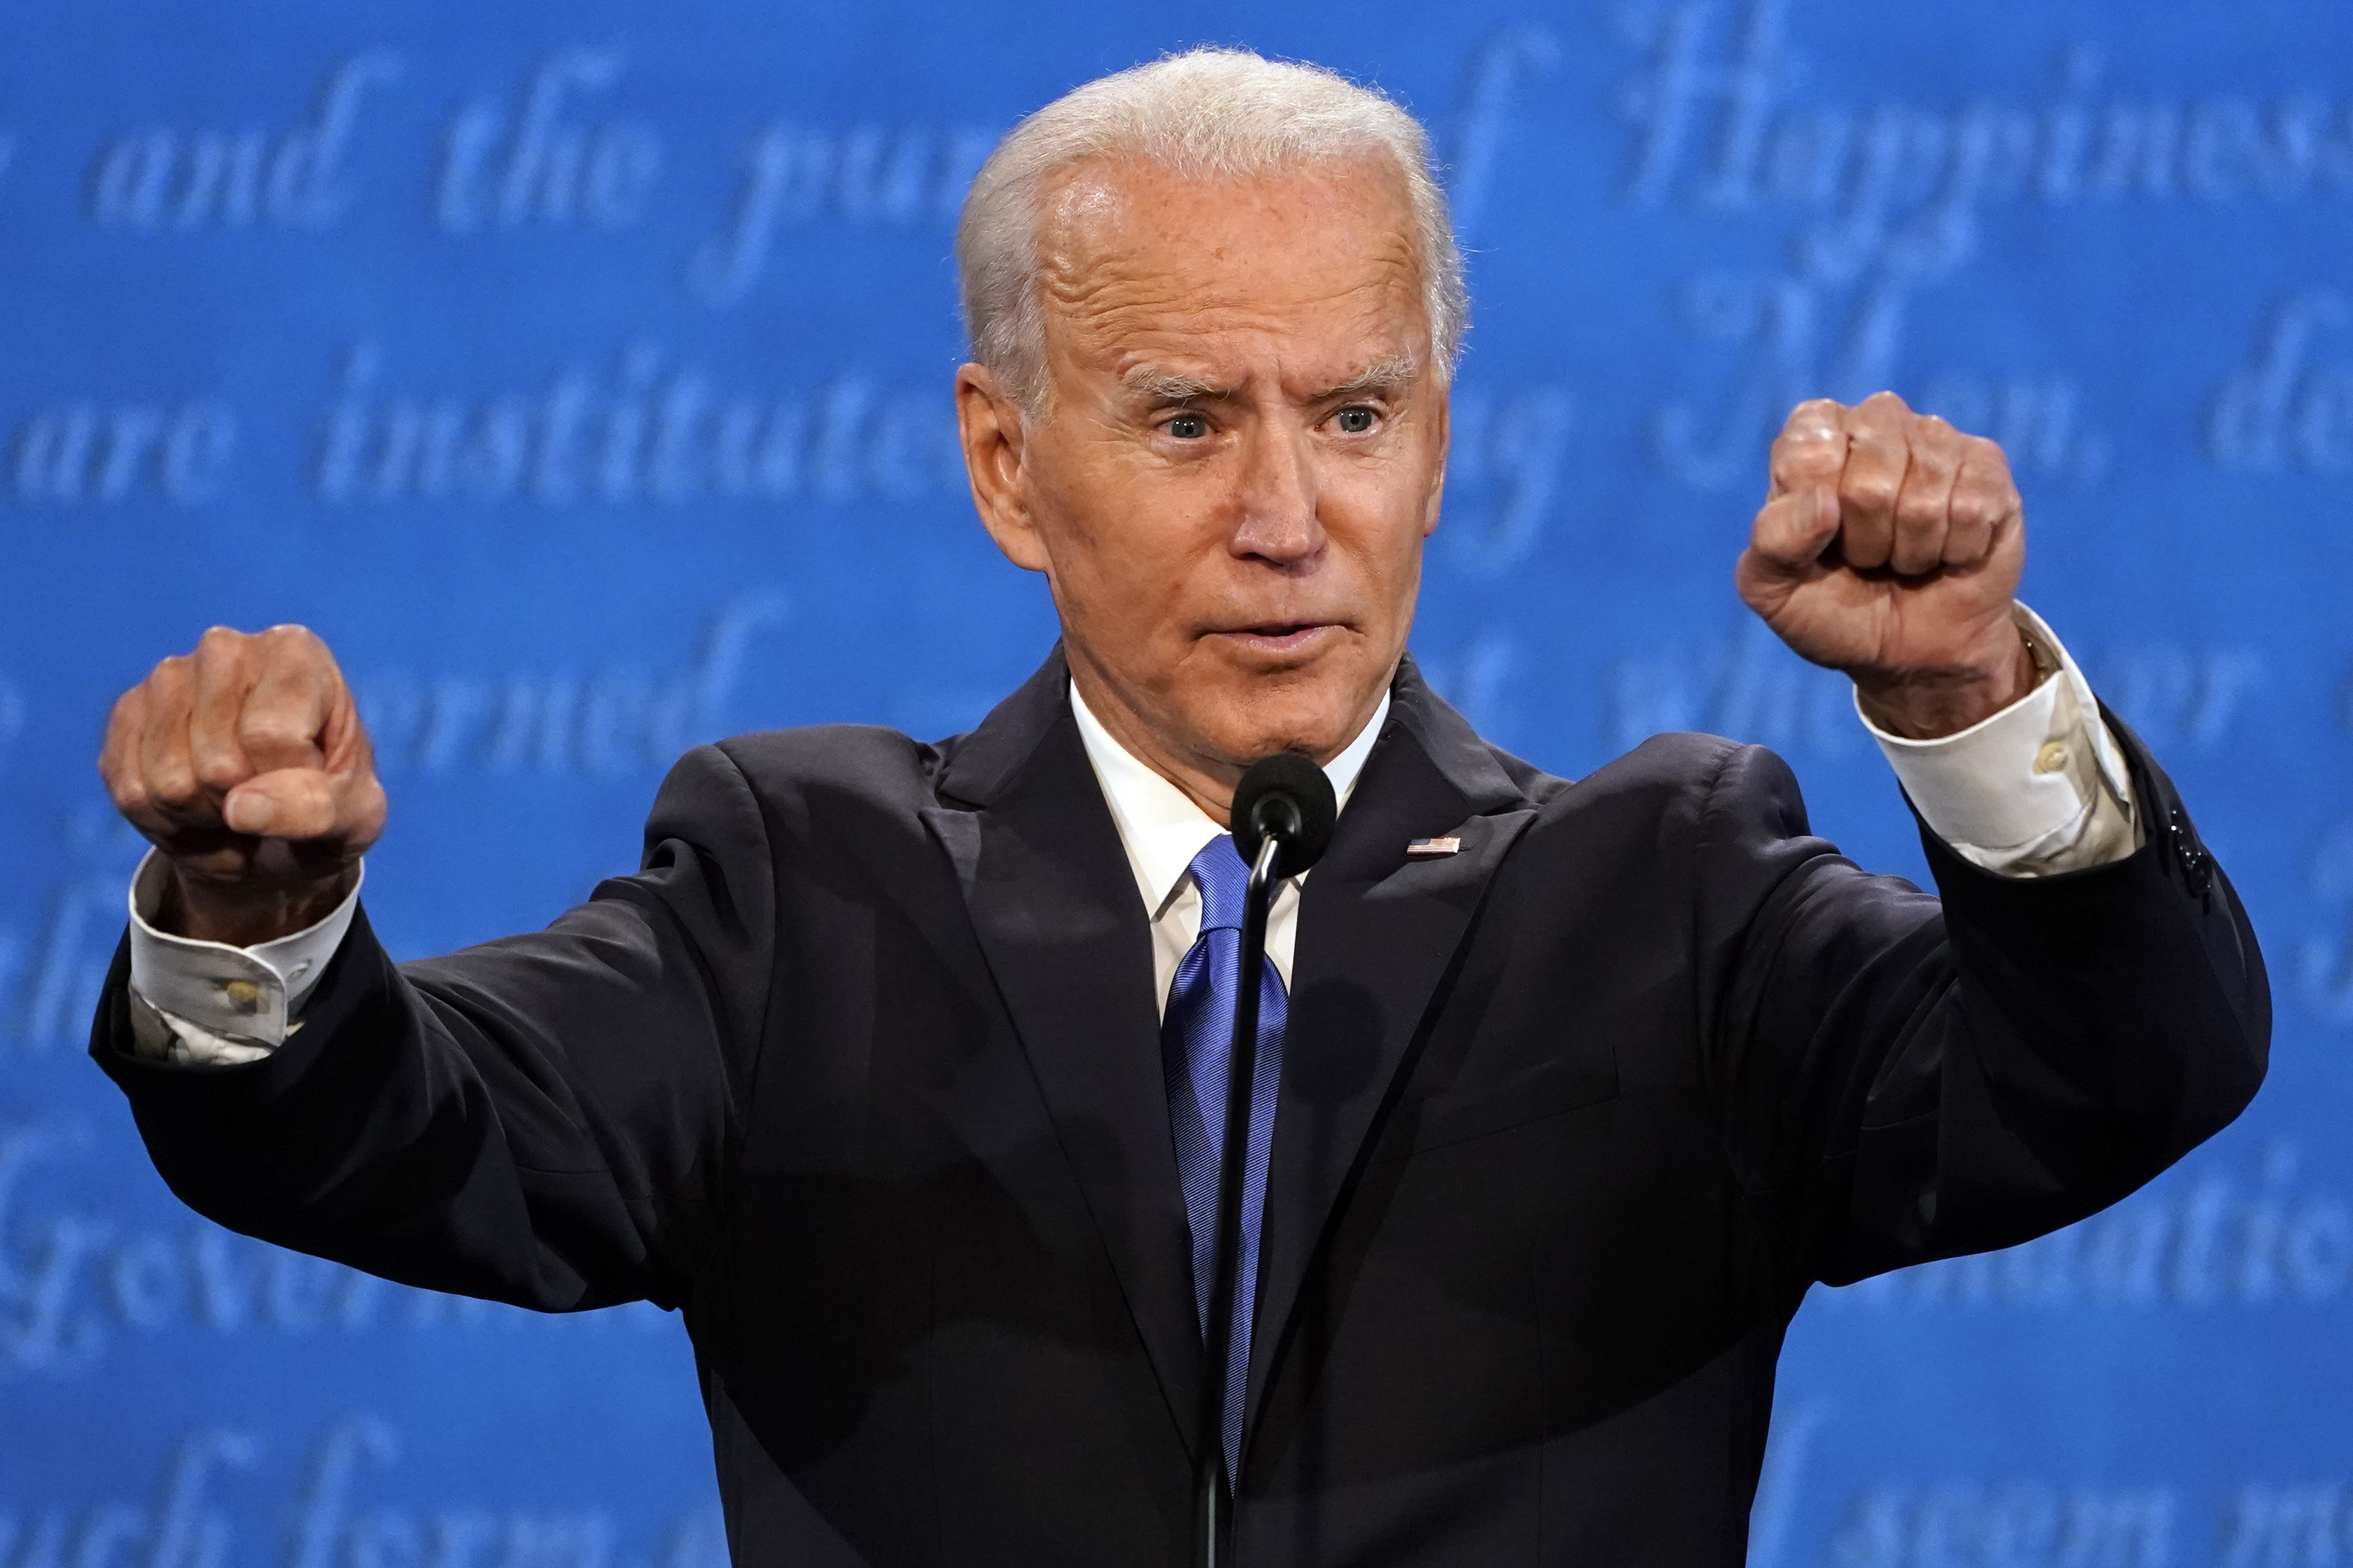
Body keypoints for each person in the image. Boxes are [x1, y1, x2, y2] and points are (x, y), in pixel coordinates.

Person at [90, 48, 2266, 1568]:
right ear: (1007, 465)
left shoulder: (1667, 892)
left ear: (1440, 444)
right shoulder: (803, 891)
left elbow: (2119, 1074)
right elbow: (404, 1133)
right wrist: (252, 915)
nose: (1287, 518)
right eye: (1188, 420)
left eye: (1355, 415)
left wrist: (1968, 696)